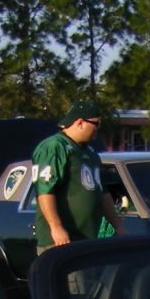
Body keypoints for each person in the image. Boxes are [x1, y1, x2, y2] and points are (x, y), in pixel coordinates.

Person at [31, 99, 123, 253]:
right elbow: (45, 190)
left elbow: (103, 192)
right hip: (62, 240)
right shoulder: (54, 147)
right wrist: (56, 227)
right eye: (96, 123)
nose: (97, 129)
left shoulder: (91, 153)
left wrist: (117, 225)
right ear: (80, 122)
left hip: (89, 238)